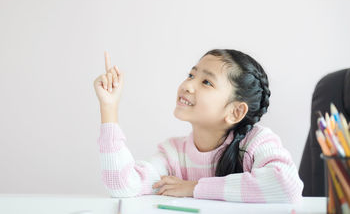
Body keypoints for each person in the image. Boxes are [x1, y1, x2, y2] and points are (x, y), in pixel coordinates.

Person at [93, 49, 303, 203]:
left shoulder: (257, 142)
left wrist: (195, 188)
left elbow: (286, 184)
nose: (187, 85)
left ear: (235, 112)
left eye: (206, 82)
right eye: (191, 75)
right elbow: (122, 185)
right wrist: (109, 108)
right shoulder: (173, 153)